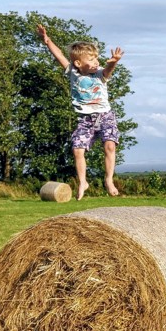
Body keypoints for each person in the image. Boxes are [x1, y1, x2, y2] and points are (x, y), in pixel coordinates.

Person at [36, 24, 124, 200]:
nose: (96, 62)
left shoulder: (100, 74)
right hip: (86, 119)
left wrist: (113, 62)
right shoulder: (73, 72)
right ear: (78, 63)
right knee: (77, 150)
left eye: (97, 59)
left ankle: (108, 180)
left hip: (105, 115)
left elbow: (108, 70)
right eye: (91, 60)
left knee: (110, 145)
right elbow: (59, 55)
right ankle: (83, 181)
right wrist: (47, 41)